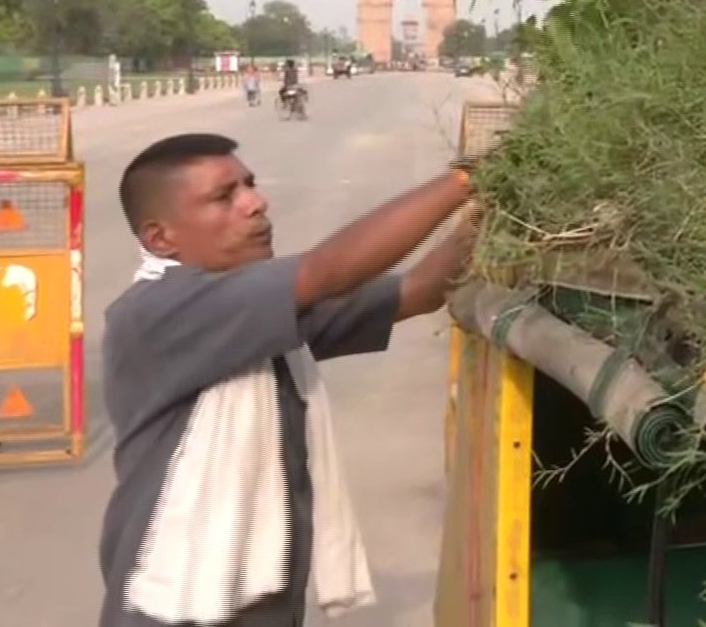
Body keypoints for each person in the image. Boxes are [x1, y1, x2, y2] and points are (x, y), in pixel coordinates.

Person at [98, 132, 480, 627]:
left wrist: (494, 208)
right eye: (224, 196)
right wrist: (468, 179)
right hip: (173, 606)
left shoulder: (260, 314)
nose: (256, 203)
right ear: (161, 239)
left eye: (249, 185)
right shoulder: (155, 311)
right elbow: (326, 272)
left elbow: (420, 289)